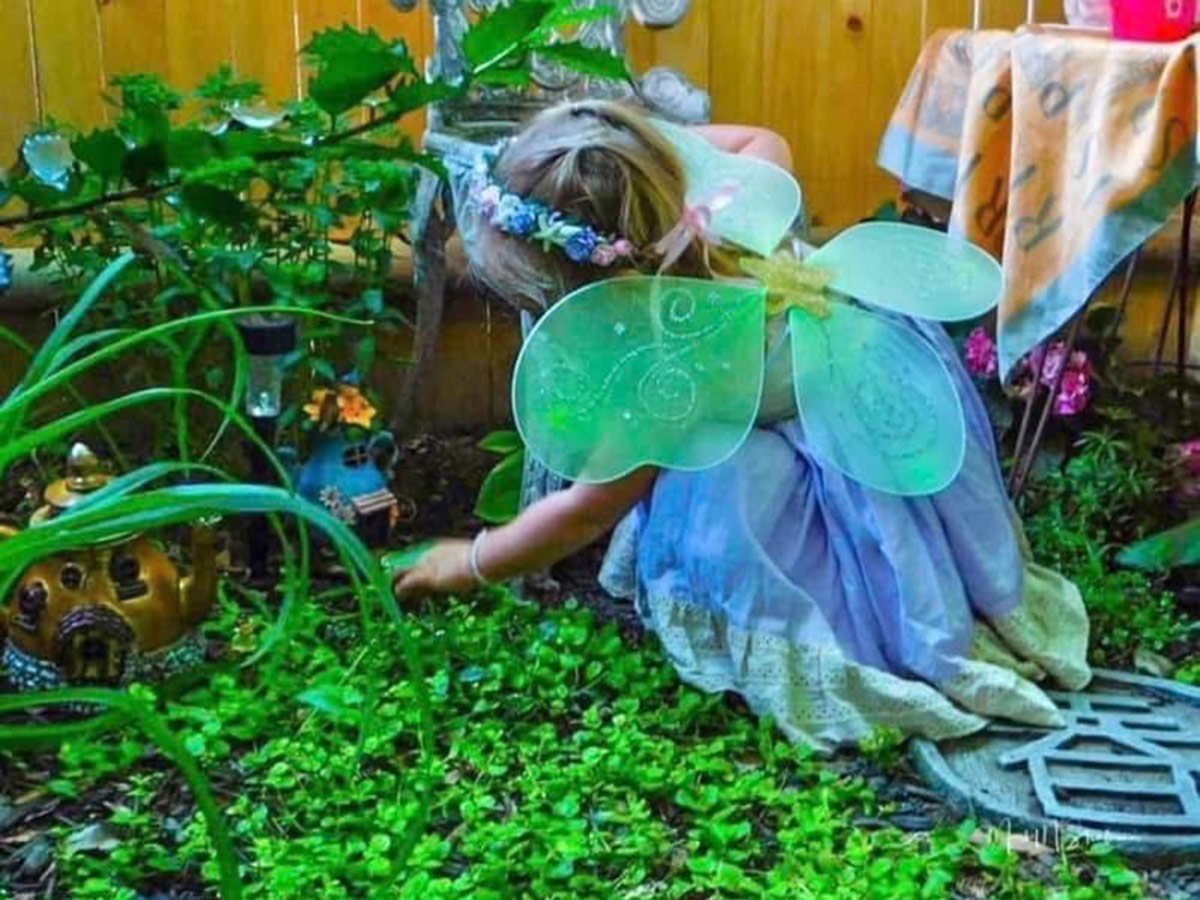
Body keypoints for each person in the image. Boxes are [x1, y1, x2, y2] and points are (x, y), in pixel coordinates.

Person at [394, 100, 1091, 753]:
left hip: (843, 417)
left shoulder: (677, 363)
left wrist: (472, 561)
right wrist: (663, 159)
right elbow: (763, 140)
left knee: (724, 485)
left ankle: (854, 617)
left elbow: (585, 509)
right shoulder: (724, 204)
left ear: (593, 298)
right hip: (877, 349)